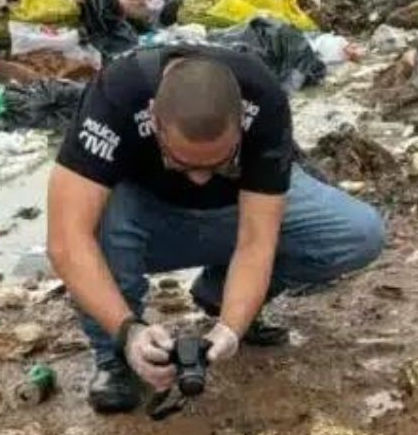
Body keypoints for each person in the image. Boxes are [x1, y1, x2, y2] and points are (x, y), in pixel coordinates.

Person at [47, 44, 386, 414]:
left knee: (360, 232)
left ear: (240, 120)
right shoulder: (116, 96)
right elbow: (67, 240)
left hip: (236, 208)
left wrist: (231, 327)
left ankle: (222, 291)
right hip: (144, 216)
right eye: (182, 162)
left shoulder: (262, 96)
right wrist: (129, 332)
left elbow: (257, 241)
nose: (198, 178)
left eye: (218, 162)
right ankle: (113, 357)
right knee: (91, 219)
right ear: (153, 120)